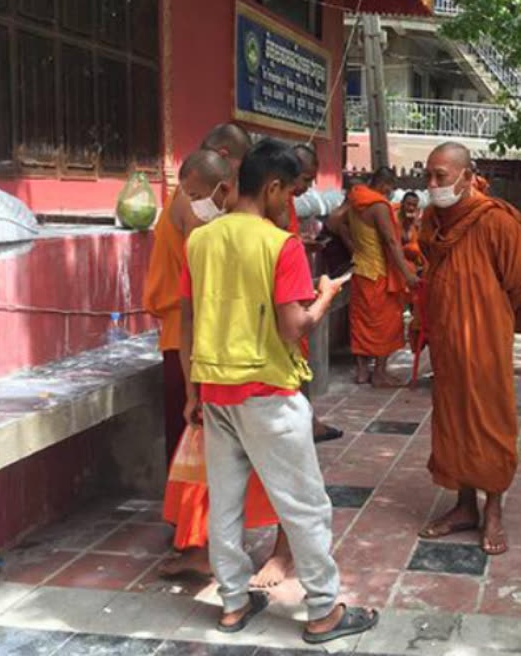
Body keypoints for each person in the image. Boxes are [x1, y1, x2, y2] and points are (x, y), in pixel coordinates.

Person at [181, 138, 378, 642]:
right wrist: (327, 296)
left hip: (214, 390)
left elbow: (188, 320)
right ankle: (321, 611)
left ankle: (231, 603)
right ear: (271, 188)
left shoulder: (200, 240)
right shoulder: (279, 244)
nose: (289, 203)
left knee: (225, 503)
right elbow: (295, 327)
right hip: (267, 390)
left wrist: (191, 391)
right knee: (306, 505)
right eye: (289, 192)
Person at [159, 149, 289, 585]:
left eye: (196, 193)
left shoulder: (230, 237)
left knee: (255, 475)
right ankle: (312, 603)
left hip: (240, 372)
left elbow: (192, 315)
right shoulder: (220, 236)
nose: (191, 201)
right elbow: (191, 314)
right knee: (251, 476)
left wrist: (194, 387)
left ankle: (246, 581)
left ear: (227, 185)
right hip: (233, 375)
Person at [416, 141, 521, 556]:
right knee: (453, 419)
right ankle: (464, 506)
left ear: (468, 177)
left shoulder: (497, 220)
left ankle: (495, 510)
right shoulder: (432, 219)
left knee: (490, 419)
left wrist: (486, 308)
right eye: (429, 176)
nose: (433, 185)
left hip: (486, 340)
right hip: (448, 340)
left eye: (441, 177)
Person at [144, 122, 252, 466]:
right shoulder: (195, 201)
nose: (235, 181)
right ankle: (186, 516)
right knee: (191, 431)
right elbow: (204, 273)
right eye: (239, 167)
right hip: (187, 329)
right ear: (223, 157)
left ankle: (193, 513)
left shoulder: (196, 196)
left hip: (192, 325)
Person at [290, 144, 345, 444]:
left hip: (295, 298)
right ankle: (303, 424)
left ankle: (308, 420)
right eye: (306, 179)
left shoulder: (284, 205)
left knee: (299, 366)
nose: (308, 188)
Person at [347, 167, 419, 386]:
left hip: (359, 269)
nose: (390, 193)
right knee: (386, 322)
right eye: (390, 188)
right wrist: (407, 274)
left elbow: (335, 222)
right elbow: (390, 241)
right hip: (378, 272)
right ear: (385, 185)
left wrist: (353, 246)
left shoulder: (354, 199)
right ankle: (379, 372)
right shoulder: (378, 205)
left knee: (361, 321)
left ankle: (361, 372)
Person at [399, 191, 425, 273]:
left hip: (414, 264)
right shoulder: (393, 218)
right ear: (402, 203)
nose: (411, 208)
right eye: (408, 204)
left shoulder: (417, 222)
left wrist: (416, 226)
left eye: (414, 205)